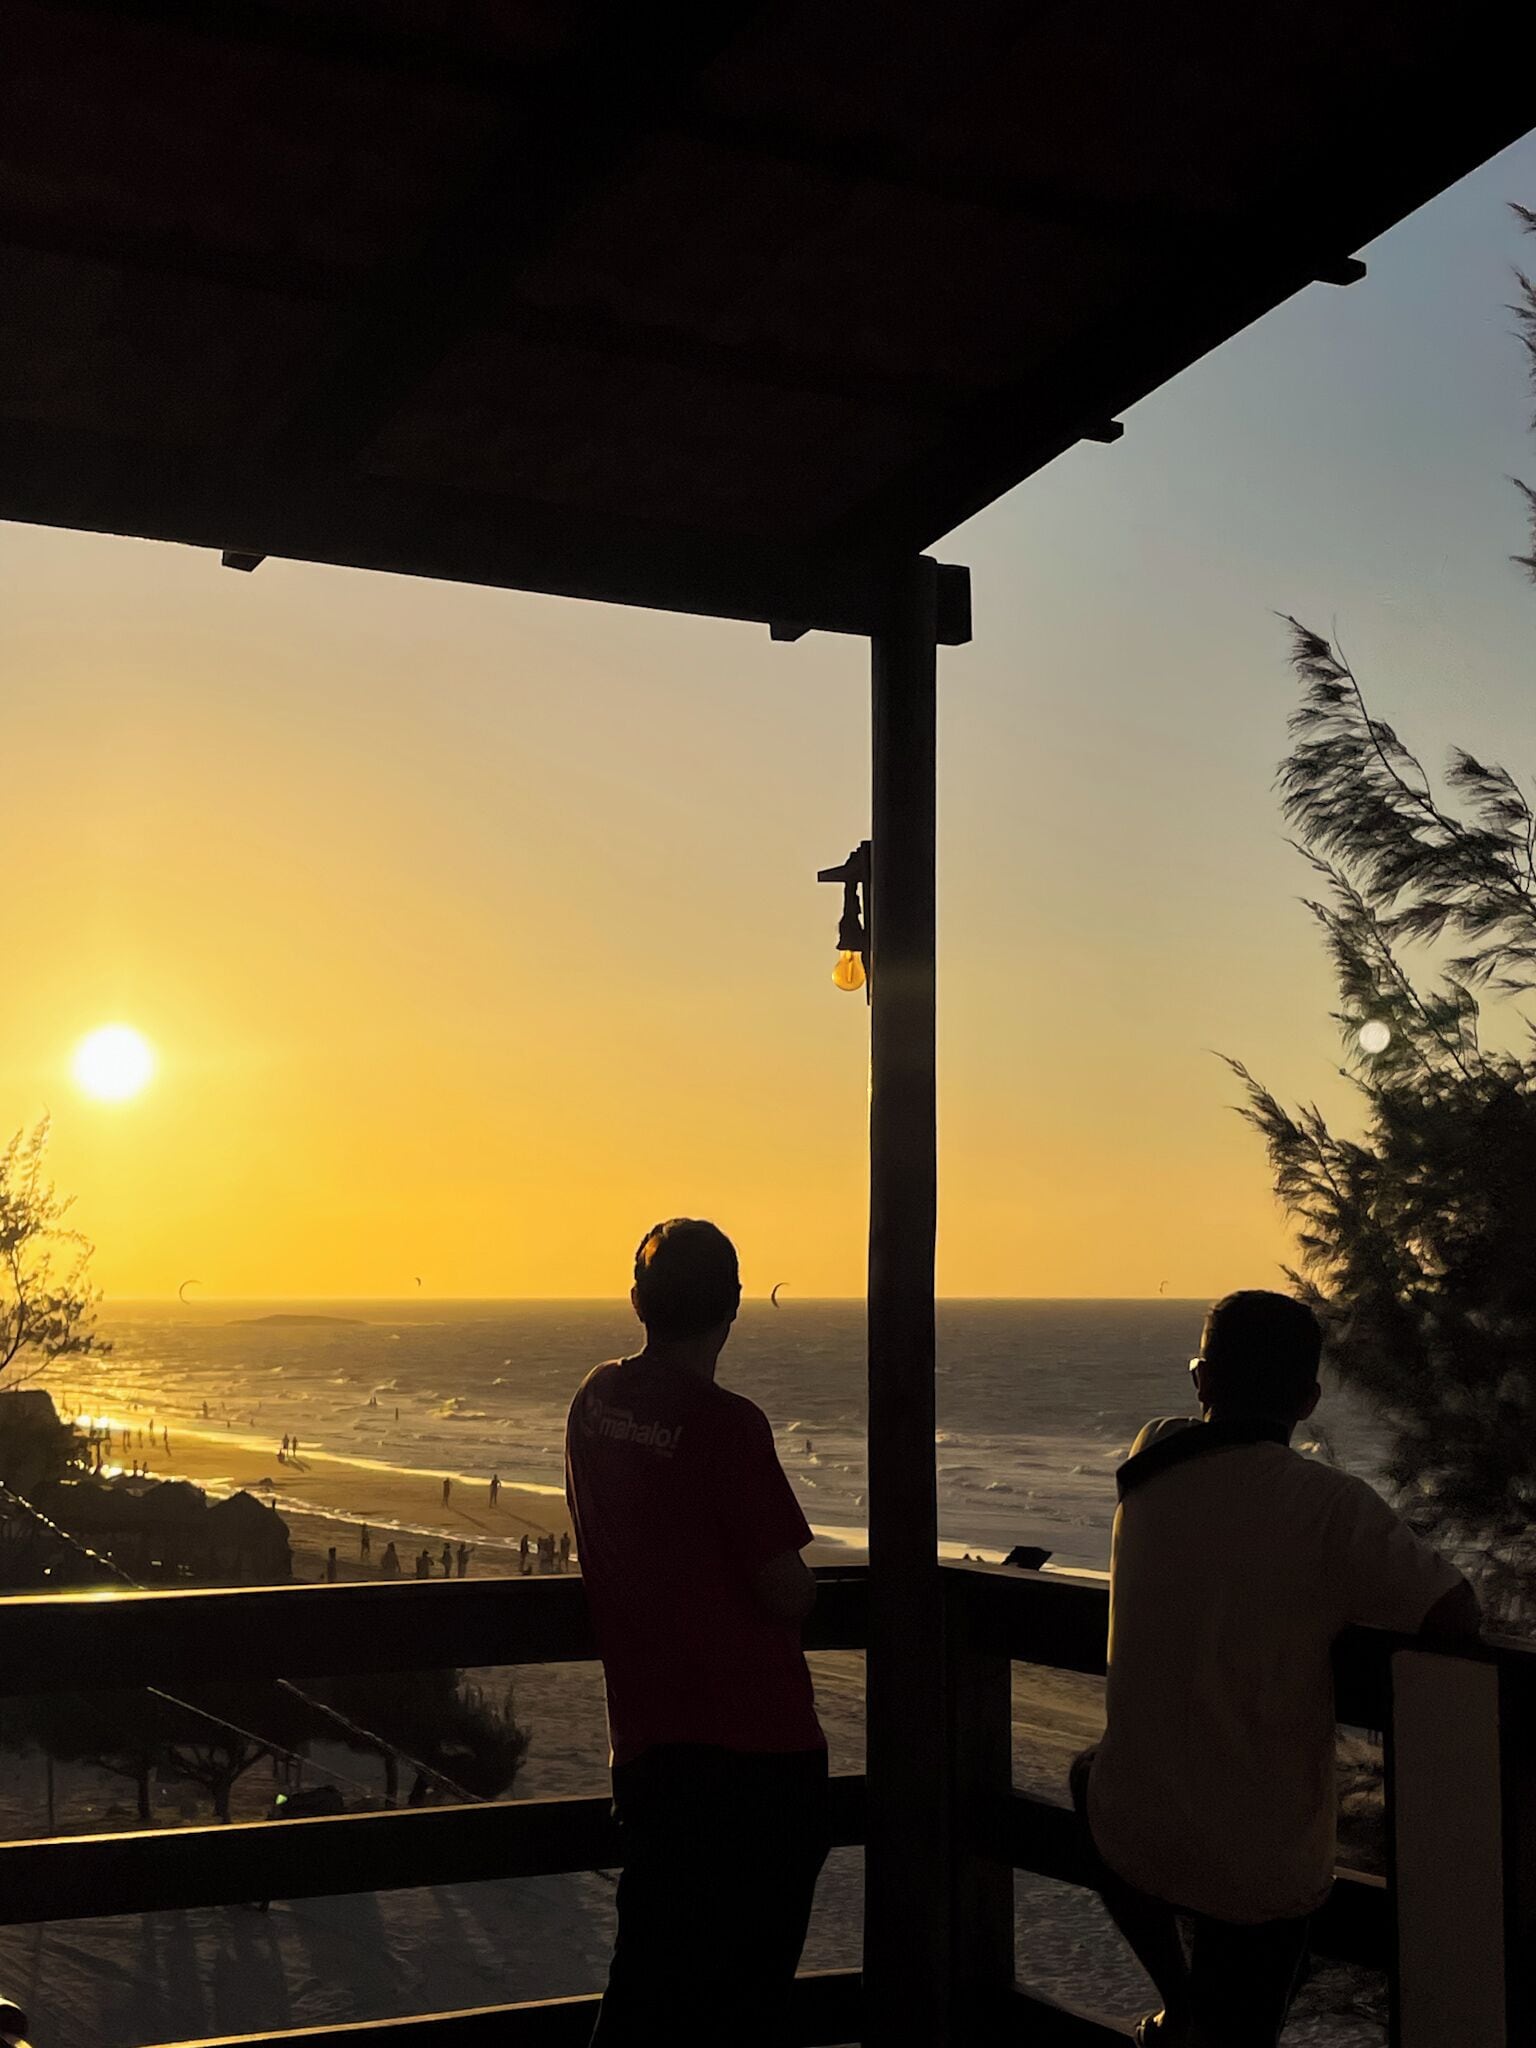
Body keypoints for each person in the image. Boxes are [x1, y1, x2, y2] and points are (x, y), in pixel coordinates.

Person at [1074, 1290, 1478, 2048]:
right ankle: (1199, 2014)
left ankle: (1180, 2001)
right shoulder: (1332, 1508)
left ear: (1202, 1384)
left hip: (1137, 1825)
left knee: (1086, 1775)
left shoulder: (1152, 1451)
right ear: (1309, 1398)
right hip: (1257, 1863)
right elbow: (1453, 1611)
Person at [566, 1218, 826, 2048]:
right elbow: (782, 1588)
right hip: (757, 1755)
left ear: (638, 1301)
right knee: (743, 1998)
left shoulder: (596, 1400)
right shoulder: (728, 1426)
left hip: (648, 1744)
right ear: (736, 1307)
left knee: (645, 1980)